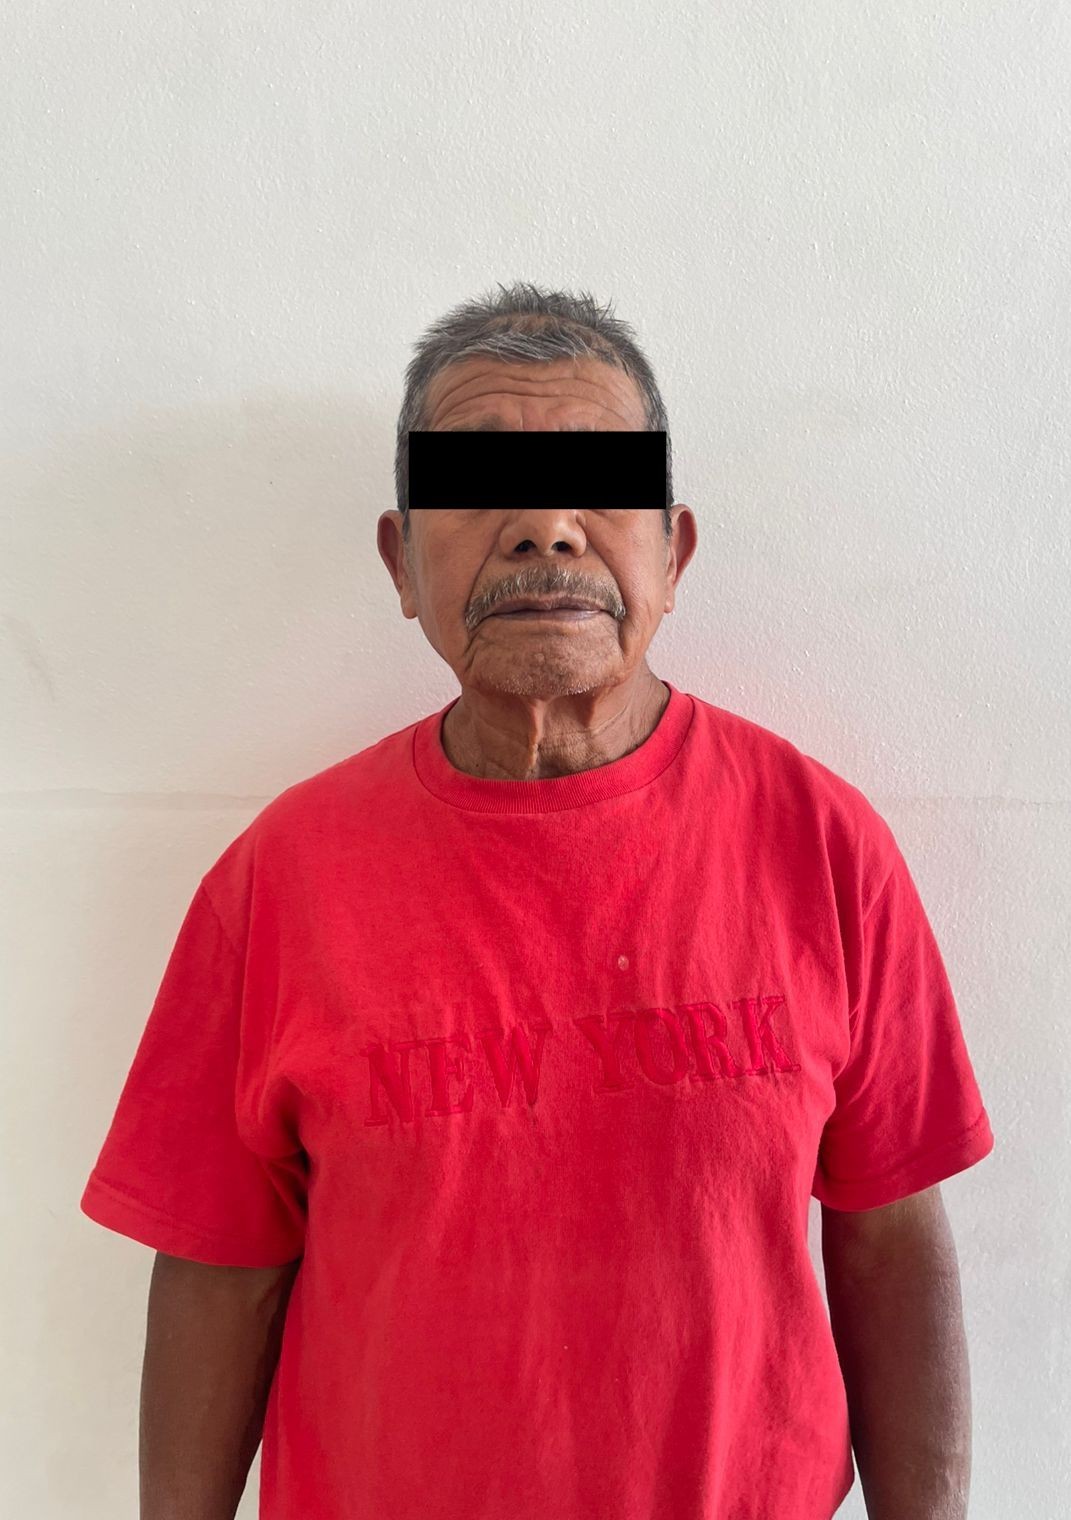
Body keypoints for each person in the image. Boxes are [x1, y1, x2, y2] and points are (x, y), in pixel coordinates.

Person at [80, 283, 993, 1520]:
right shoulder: (278, 880)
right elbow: (217, 1268)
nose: (546, 530)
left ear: (674, 551)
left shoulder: (824, 847)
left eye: (597, 488)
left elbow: (890, 1235)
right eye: (479, 489)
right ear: (402, 561)